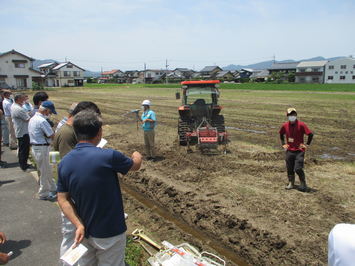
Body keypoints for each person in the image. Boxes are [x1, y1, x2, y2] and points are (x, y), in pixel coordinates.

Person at [57, 110, 142, 266]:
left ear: (76, 132)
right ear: (99, 132)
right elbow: (135, 165)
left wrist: (78, 224)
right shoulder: (109, 156)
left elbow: (62, 199)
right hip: (110, 230)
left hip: (83, 230)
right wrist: (137, 154)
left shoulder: (64, 162)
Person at [53, 101, 101, 263]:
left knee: (74, 235)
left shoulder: (65, 130)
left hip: (70, 191)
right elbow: (72, 164)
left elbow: (58, 159)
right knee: (72, 237)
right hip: (72, 195)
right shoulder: (67, 134)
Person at [279, 108, 313, 192]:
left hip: (299, 151)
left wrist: (307, 145)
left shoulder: (301, 125)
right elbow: (281, 134)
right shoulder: (285, 125)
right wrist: (283, 144)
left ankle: (303, 183)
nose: (292, 116)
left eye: (294, 115)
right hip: (289, 150)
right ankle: (291, 183)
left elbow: (310, 134)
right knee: (289, 168)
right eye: (290, 115)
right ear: (287, 116)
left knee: (298, 168)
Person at [29, 101, 57, 200]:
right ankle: (44, 193)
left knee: (47, 169)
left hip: (37, 147)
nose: (50, 114)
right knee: (45, 171)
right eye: (50, 112)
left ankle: (53, 187)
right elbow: (51, 135)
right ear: (46, 110)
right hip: (42, 148)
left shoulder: (33, 118)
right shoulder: (42, 121)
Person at [11, 93, 32, 171]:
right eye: (23, 99)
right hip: (23, 131)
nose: (24, 100)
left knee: (22, 148)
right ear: (18, 99)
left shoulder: (16, 106)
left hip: (21, 130)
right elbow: (27, 119)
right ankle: (24, 165)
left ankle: (23, 163)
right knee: (24, 149)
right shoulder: (18, 109)